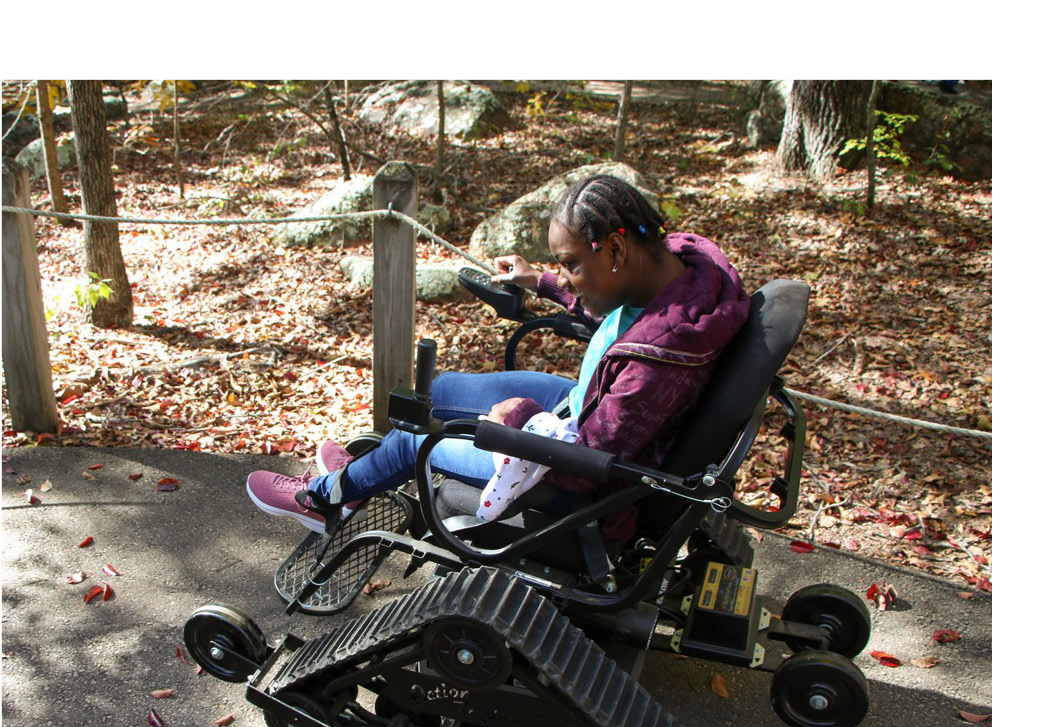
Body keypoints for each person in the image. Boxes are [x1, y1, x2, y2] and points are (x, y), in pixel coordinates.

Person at [247, 174, 750, 541]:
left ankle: (325, 498)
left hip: (578, 472)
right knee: (438, 393)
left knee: (414, 439)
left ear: (616, 249)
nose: (568, 276)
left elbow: (585, 468)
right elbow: (621, 309)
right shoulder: (684, 263)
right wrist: (544, 283)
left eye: (571, 264)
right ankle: (365, 475)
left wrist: (516, 419)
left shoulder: (656, 361)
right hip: (589, 404)